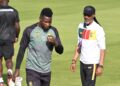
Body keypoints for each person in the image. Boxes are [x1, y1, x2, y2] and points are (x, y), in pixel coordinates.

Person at [13, 7, 64, 86]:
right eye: (45, 22)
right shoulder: (29, 30)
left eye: (50, 22)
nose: (48, 24)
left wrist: (55, 43)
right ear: (40, 18)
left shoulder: (53, 31)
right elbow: (22, 49)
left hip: (46, 72)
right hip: (32, 70)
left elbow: (60, 51)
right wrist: (17, 69)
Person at [70, 5, 106, 86]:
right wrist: (74, 60)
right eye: (85, 14)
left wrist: (100, 66)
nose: (86, 17)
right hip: (82, 62)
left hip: (92, 63)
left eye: (89, 15)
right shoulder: (80, 26)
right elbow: (79, 44)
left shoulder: (98, 29)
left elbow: (102, 49)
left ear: (93, 15)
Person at [0, 0, 20, 85]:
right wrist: (16, 36)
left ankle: (0, 80)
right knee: (9, 59)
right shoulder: (14, 11)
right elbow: (17, 26)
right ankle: (9, 74)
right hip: (9, 39)